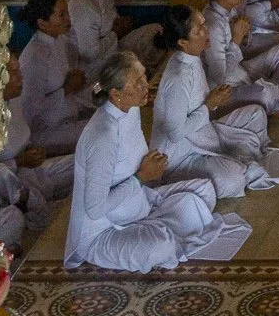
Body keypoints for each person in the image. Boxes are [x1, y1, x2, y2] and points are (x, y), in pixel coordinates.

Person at [66, 52, 250, 270]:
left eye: (144, 77)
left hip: (140, 204)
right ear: (116, 94)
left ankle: (159, 228)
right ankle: (158, 234)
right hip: (104, 233)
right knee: (159, 247)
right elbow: (95, 209)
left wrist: (151, 167)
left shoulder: (130, 108)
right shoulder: (102, 137)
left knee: (204, 191)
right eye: (137, 82)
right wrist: (141, 177)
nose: (146, 86)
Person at [151, 6, 279, 199]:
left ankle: (238, 159)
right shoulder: (179, 76)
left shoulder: (189, 59)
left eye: (204, 24)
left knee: (255, 114)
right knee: (233, 177)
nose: (206, 31)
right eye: (199, 29)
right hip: (183, 156)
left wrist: (214, 100)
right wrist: (209, 105)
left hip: (204, 134)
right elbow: (175, 133)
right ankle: (230, 165)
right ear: (183, 42)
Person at [0, 44, 73, 251]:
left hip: (32, 170)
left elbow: (24, 137)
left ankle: (44, 209)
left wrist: (34, 153)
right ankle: (36, 214)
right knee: (19, 207)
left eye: (19, 71)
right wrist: (18, 162)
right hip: (7, 185)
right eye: (13, 73)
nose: (21, 78)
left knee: (81, 164)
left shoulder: (13, 100)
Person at [16, 0, 94, 155]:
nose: (68, 19)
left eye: (67, 12)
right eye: (61, 15)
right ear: (42, 23)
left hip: (64, 114)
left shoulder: (58, 40)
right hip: (44, 132)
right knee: (98, 133)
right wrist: (67, 89)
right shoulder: (35, 57)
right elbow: (30, 110)